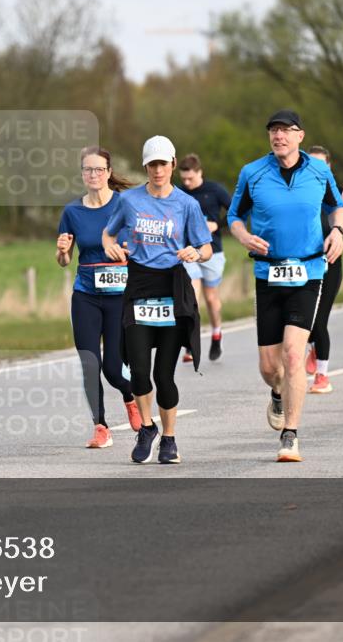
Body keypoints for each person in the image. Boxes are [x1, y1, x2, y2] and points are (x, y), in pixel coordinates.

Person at [227, 110, 343, 463]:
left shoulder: (319, 171)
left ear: (300, 135)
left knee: (295, 354)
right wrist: (245, 236)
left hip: (308, 271)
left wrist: (337, 230)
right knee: (269, 367)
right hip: (268, 274)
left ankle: (290, 435)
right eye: (273, 131)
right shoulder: (253, 173)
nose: (278, 136)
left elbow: (336, 207)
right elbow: (233, 217)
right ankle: (277, 392)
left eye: (285, 131)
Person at [102, 135, 212, 464]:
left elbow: (206, 247)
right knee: (138, 371)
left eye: (163, 163)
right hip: (139, 284)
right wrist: (110, 244)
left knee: (164, 375)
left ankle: (169, 439)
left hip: (173, 286)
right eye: (152, 164)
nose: (158, 170)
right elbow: (109, 232)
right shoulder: (129, 201)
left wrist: (196, 252)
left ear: (173, 165)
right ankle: (146, 427)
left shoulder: (187, 205)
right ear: (145, 167)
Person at [56, 146, 142, 449]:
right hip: (86, 295)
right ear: (82, 174)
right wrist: (63, 251)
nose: (93, 175)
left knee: (113, 368)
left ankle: (130, 396)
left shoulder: (126, 205)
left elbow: (142, 248)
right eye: (87, 170)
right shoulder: (72, 212)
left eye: (99, 169)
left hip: (120, 297)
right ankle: (100, 426)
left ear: (108, 172)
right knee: (90, 362)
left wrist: (126, 253)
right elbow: (64, 261)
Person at [304, 146, 343, 394]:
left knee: (320, 320)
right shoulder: (300, 189)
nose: (316, 169)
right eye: (311, 163)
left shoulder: (340, 192)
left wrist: (340, 227)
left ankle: (322, 376)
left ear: (329, 166)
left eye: (321, 164)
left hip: (330, 260)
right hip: (304, 261)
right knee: (303, 320)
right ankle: (313, 346)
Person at [178, 153, 233, 362]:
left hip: (213, 252)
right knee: (192, 297)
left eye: (190, 178)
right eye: (183, 179)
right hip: (188, 252)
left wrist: (217, 224)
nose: (187, 182)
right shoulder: (179, 193)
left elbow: (235, 210)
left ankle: (217, 333)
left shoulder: (215, 190)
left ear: (199, 172)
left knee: (211, 299)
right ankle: (191, 344)